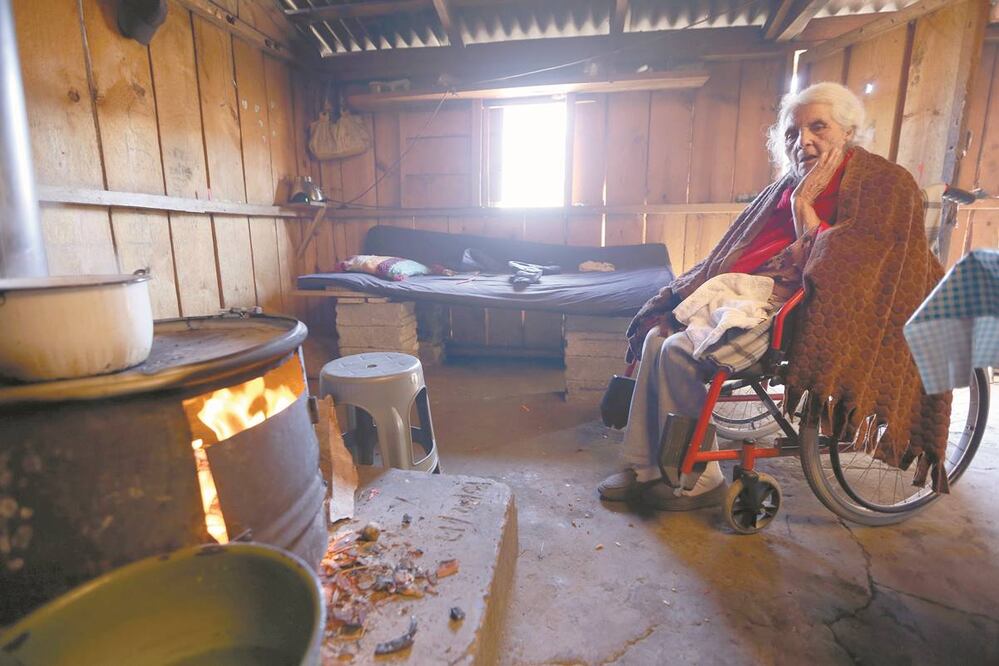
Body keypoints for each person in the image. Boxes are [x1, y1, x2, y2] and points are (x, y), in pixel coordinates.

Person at [599, 81, 951, 509]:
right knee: (658, 335)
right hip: (748, 292)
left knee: (679, 351)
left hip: (802, 306)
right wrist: (683, 291)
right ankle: (643, 466)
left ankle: (698, 477)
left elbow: (848, 270)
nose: (803, 140)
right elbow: (729, 253)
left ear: (848, 131)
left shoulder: (883, 183)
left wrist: (805, 205)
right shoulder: (782, 186)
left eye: (818, 127)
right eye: (792, 133)